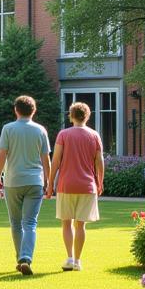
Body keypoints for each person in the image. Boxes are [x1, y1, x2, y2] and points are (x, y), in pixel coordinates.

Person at [0, 94, 51, 276]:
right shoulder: (40, 130)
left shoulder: (8, 129)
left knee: (16, 223)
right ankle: (25, 258)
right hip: (35, 180)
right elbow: (46, 159)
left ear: (16, 110)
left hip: (13, 180)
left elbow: (2, 154)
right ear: (33, 111)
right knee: (30, 223)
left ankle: (21, 257)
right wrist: (49, 181)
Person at [46, 101, 104, 271]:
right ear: (87, 116)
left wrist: (50, 184)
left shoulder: (63, 135)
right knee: (81, 225)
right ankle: (78, 261)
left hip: (66, 184)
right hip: (87, 185)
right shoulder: (94, 135)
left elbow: (55, 161)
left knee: (66, 223)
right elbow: (99, 162)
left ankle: (70, 258)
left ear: (71, 116)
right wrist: (100, 182)